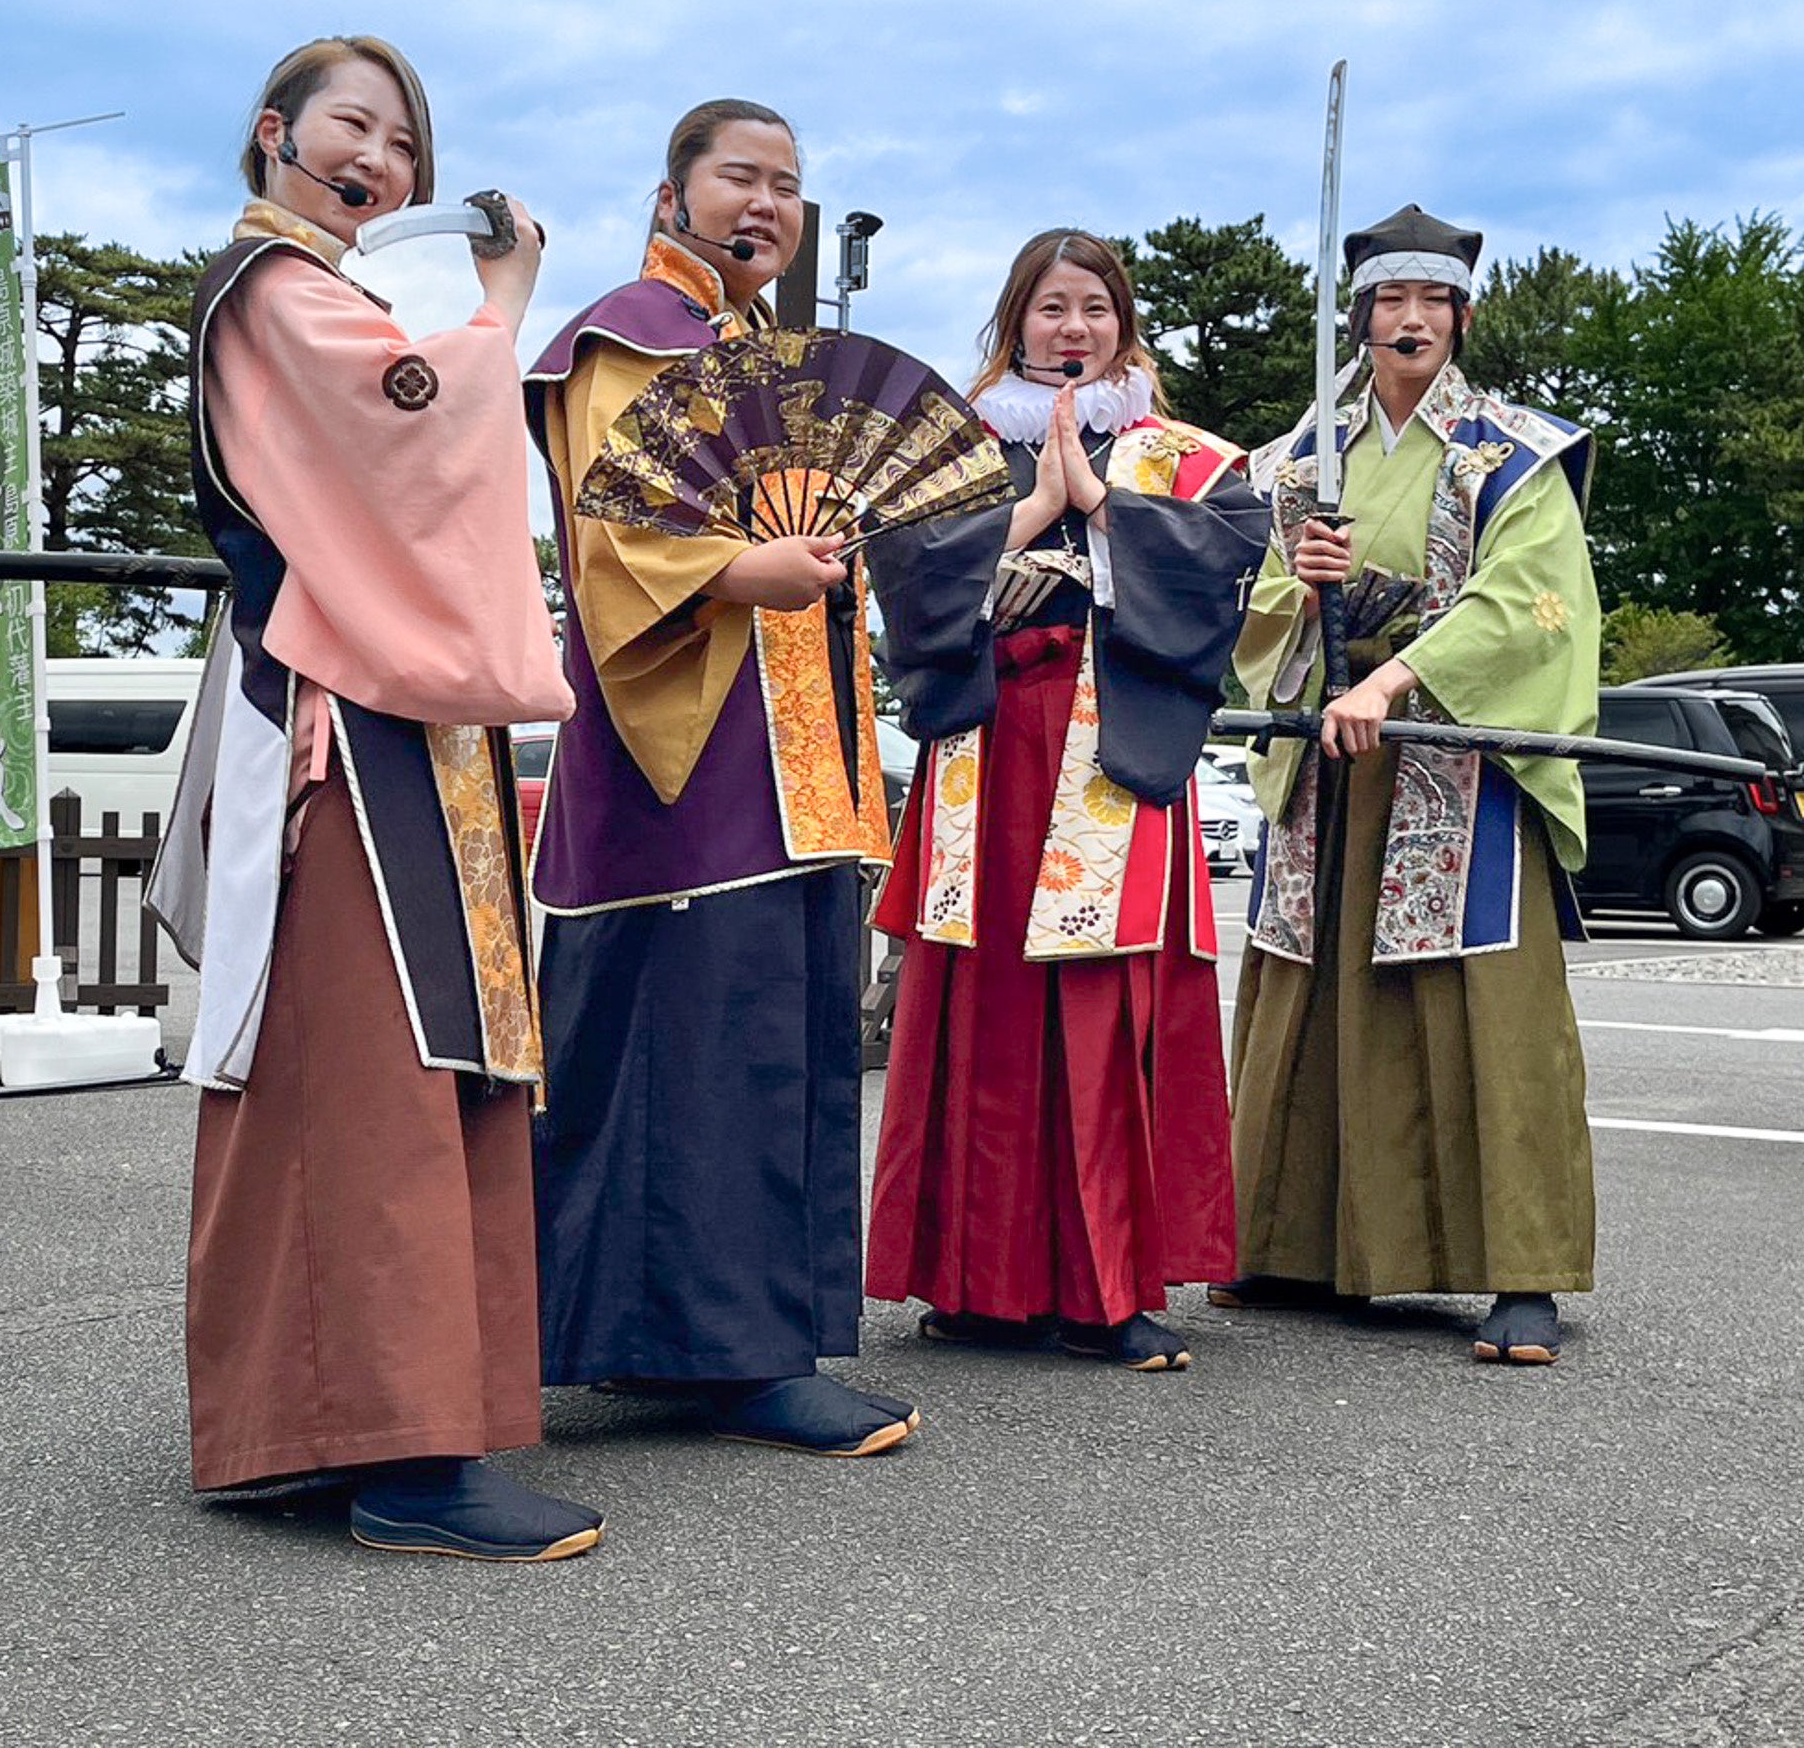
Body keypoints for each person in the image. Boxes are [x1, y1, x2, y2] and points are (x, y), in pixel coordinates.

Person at [148, 35, 603, 1559]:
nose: (384, 164)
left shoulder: (320, 293)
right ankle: (389, 1447)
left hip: (394, 708)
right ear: (274, 133)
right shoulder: (270, 293)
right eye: (355, 127)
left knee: (425, 1068)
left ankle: (378, 1424)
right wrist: (507, 308)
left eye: (405, 144)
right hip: (343, 719)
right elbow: (417, 431)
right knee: (372, 1070)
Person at [524, 99, 914, 1457]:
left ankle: (708, 1340)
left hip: (787, 745)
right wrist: (752, 567)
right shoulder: (626, 335)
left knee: (769, 1031)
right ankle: (736, 1354)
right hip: (681, 748)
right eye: (738, 177)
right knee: (703, 1041)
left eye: (788, 186)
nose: (766, 205)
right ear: (671, 190)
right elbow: (615, 534)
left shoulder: (769, 356)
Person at [865, 230, 1269, 1370]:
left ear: (1124, 326)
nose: (1072, 328)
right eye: (1049, 308)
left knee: (1101, 1006)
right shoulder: (946, 448)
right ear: (1013, 321)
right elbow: (904, 583)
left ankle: (1105, 1290)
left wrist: (1098, 502)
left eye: (1094, 307)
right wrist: (1033, 509)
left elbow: (1228, 563)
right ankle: (975, 1280)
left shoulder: (1180, 458)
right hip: (990, 751)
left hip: (1108, 756)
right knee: (983, 1009)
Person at [1221, 204, 1600, 1366]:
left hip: (1454, 767)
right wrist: (1302, 581)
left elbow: (1531, 602)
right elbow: (1239, 596)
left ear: (1461, 319)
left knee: (1484, 1012)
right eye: (1389, 301)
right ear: (1359, 317)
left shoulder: (1510, 452)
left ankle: (1521, 1271)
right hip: (1328, 773)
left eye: (1431, 301)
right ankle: (1298, 1249)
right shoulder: (1294, 459)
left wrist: (1388, 675)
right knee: (1311, 994)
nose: (1409, 319)